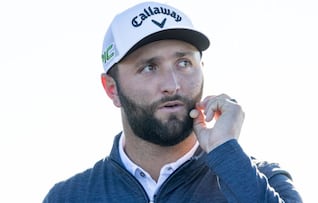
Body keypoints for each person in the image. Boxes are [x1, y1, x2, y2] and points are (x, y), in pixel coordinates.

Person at [43, 1, 303, 202]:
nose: (173, 84)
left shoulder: (262, 179)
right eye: (149, 67)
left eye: (184, 63)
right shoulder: (69, 197)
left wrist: (226, 153)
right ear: (112, 89)